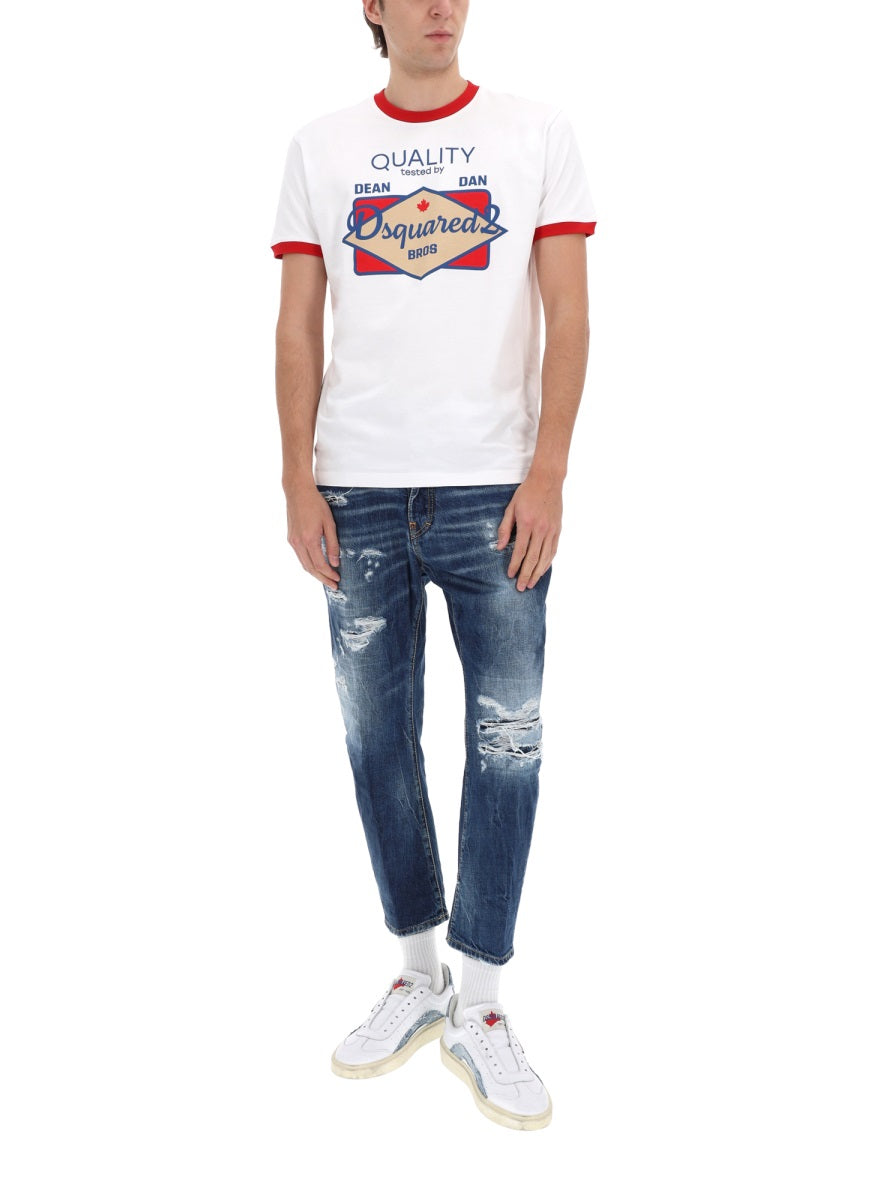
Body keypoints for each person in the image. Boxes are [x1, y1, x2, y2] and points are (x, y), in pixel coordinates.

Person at [270, 0, 596, 1131]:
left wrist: (548, 472)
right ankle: (417, 975)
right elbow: (298, 324)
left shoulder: (537, 133)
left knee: (507, 743)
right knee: (376, 738)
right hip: (357, 492)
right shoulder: (320, 146)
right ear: (371, 6)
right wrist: (296, 475)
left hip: (495, 493)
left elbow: (568, 312)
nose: (440, 6)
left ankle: (484, 1001)